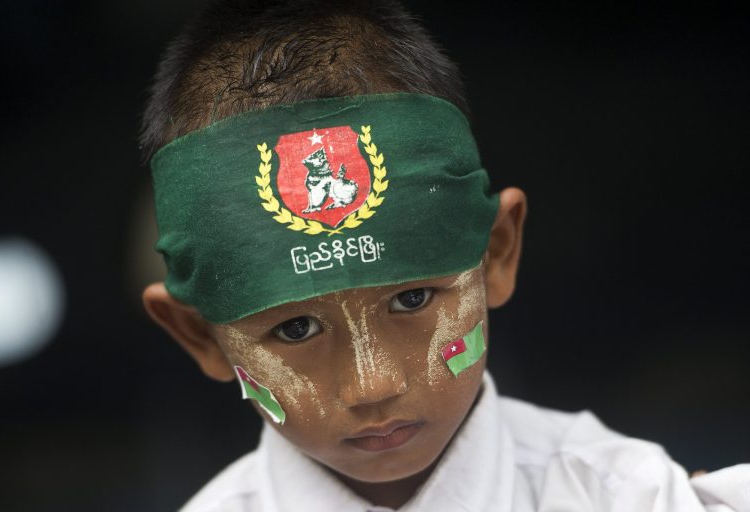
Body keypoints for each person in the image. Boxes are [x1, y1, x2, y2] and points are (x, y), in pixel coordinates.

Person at [139, 1, 748, 510]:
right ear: (199, 335)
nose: (373, 384)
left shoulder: (634, 498)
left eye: (411, 298)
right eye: (295, 327)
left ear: (497, 253)